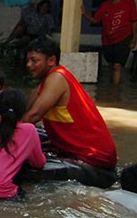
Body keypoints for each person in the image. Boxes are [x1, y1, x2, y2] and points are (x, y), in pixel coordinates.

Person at [20, 37, 118, 188]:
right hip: (82, 154)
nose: (29, 65)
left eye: (34, 61)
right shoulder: (47, 80)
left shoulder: (57, 78)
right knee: (35, 137)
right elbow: (25, 111)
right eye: (28, 60)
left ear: (51, 60)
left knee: (28, 165)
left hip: (94, 161)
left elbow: (33, 115)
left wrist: (2, 136)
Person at [80, 0, 137, 85]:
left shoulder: (129, 2)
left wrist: (134, 38)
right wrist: (85, 14)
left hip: (123, 38)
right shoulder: (105, 5)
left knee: (117, 65)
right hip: (108, 40)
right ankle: (112, 87)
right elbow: (96, 20)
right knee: (111, 65)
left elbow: (134, 21)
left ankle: (115, 91)